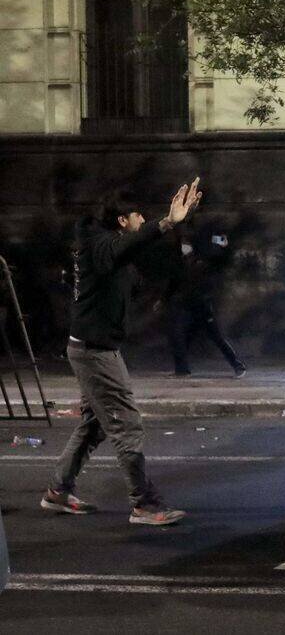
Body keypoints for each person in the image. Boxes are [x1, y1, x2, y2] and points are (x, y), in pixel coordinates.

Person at [40, 179, 202, 526]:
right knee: (126, 424)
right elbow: (124, 247)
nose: (142, 219)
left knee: (94, 424)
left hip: (95, 347)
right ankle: (144, 504)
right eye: (137, 215)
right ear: (122, 221)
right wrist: (167, 221)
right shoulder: (100, 246)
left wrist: (179, 224)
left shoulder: (111, 247)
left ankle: (58, 490)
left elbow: (143, 252)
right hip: (94, 352)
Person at [164, 224, 246, 378]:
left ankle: (238, 365)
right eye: (183, 244)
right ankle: (182, 370)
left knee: (216, 337)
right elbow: (174, 283)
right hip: (187, 306)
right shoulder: (180, 264)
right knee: (179, 336)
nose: (184, 247)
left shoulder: (203, 261)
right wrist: (166, 299)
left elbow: (222, 259)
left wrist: (225, 246)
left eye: (186, 244)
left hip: (202, 306)